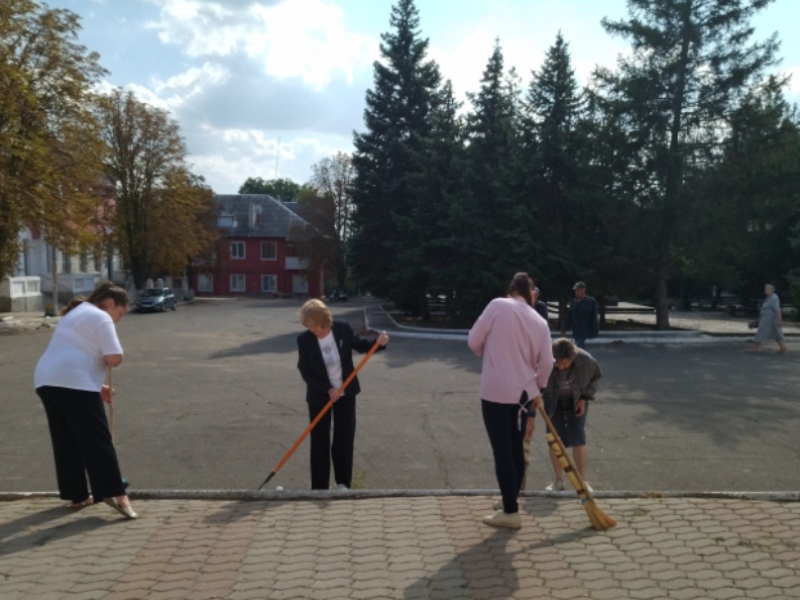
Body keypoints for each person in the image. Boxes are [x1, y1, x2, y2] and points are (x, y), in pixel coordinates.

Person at [33, 281, 137, 519]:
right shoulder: (101, 317)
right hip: (73, 382)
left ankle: (77, 494)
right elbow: (114, 357)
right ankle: (116, 494)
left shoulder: (74, 313)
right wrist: (112, 358)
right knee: (97, 440)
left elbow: (72, 351)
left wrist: (96, 385)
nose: (119, 319)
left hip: (46, 380)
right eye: (120, 313)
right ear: (110, 303)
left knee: (65, 440)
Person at [468, 273, 553, 529]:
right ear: (530, 292)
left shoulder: (497, 306)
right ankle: (509, 498)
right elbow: (547, 362)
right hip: (524, 394)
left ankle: (510, 510)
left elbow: (473, 341)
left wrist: (486, 349)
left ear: (511, 289)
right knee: (515, 448)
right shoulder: (539, 320)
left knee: (502, 451)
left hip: (495, 391)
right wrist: (538, 386)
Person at [297, 299, 389, 491]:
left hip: (346, 393)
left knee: (344, 439)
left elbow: (362, 346)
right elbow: (305, 371)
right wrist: (327, 389)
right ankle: (320, 487)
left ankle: (343, 483)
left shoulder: (342, 329)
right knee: (319, 441)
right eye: (310, 328)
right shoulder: (304, 340)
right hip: (319, 396)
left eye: (317, 328)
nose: (314, 331)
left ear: (326, 321)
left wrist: (378, 343)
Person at [541, 338, 601, 492]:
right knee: (554, 439)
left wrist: (584, 398)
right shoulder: (543, 359)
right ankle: (558, 481)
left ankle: (582, 482)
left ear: (573, 358)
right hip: (551, 401)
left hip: (577, 401)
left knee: (578, 438)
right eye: (557, 364)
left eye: (565, 364)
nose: (561, 367)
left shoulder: (586, 360)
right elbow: (534, 378)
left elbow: (595, 379)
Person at [751, 284, 788, 353]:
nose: (766, 291)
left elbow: (777, 310)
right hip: (765, 318)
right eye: (765, 289)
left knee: (761, 332)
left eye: (767, 289)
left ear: (771, 290)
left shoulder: (774, 298)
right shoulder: (768, 298)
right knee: (777, 333)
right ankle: (783, 347)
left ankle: (755, 349)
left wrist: (779, 321)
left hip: (770, 319)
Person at [561, 281, 599, 349]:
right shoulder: (574, 302)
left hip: (585, 330)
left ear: (583, 289)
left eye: (578, 290)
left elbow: (594, 317)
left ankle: (579, 359)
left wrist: (594, 330)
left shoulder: (591, 302)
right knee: (580, 349)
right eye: (575, 291)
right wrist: (564, 330)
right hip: (576, 330)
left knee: (578, 348)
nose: (576, 292)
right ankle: (582, 359)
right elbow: (569, 317)